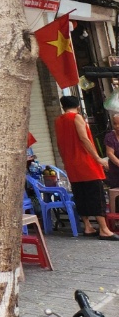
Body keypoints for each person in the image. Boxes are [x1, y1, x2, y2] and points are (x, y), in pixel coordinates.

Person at [55, 94, 118, 239]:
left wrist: (65, 161)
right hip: (85, 162)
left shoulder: (58, 120)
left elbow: (59, 144)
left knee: (80, 195)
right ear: (78, 106)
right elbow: (84, 138)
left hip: (71, 164)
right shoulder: (76, 118)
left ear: (63, 107)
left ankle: (88, 226)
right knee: (96, 195)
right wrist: (98, 158)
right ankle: (104, 229)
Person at [105, 113, 119, 214]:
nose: (117, 126)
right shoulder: (110, 137)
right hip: (115, 172)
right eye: (115, 123)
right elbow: (110, 153)